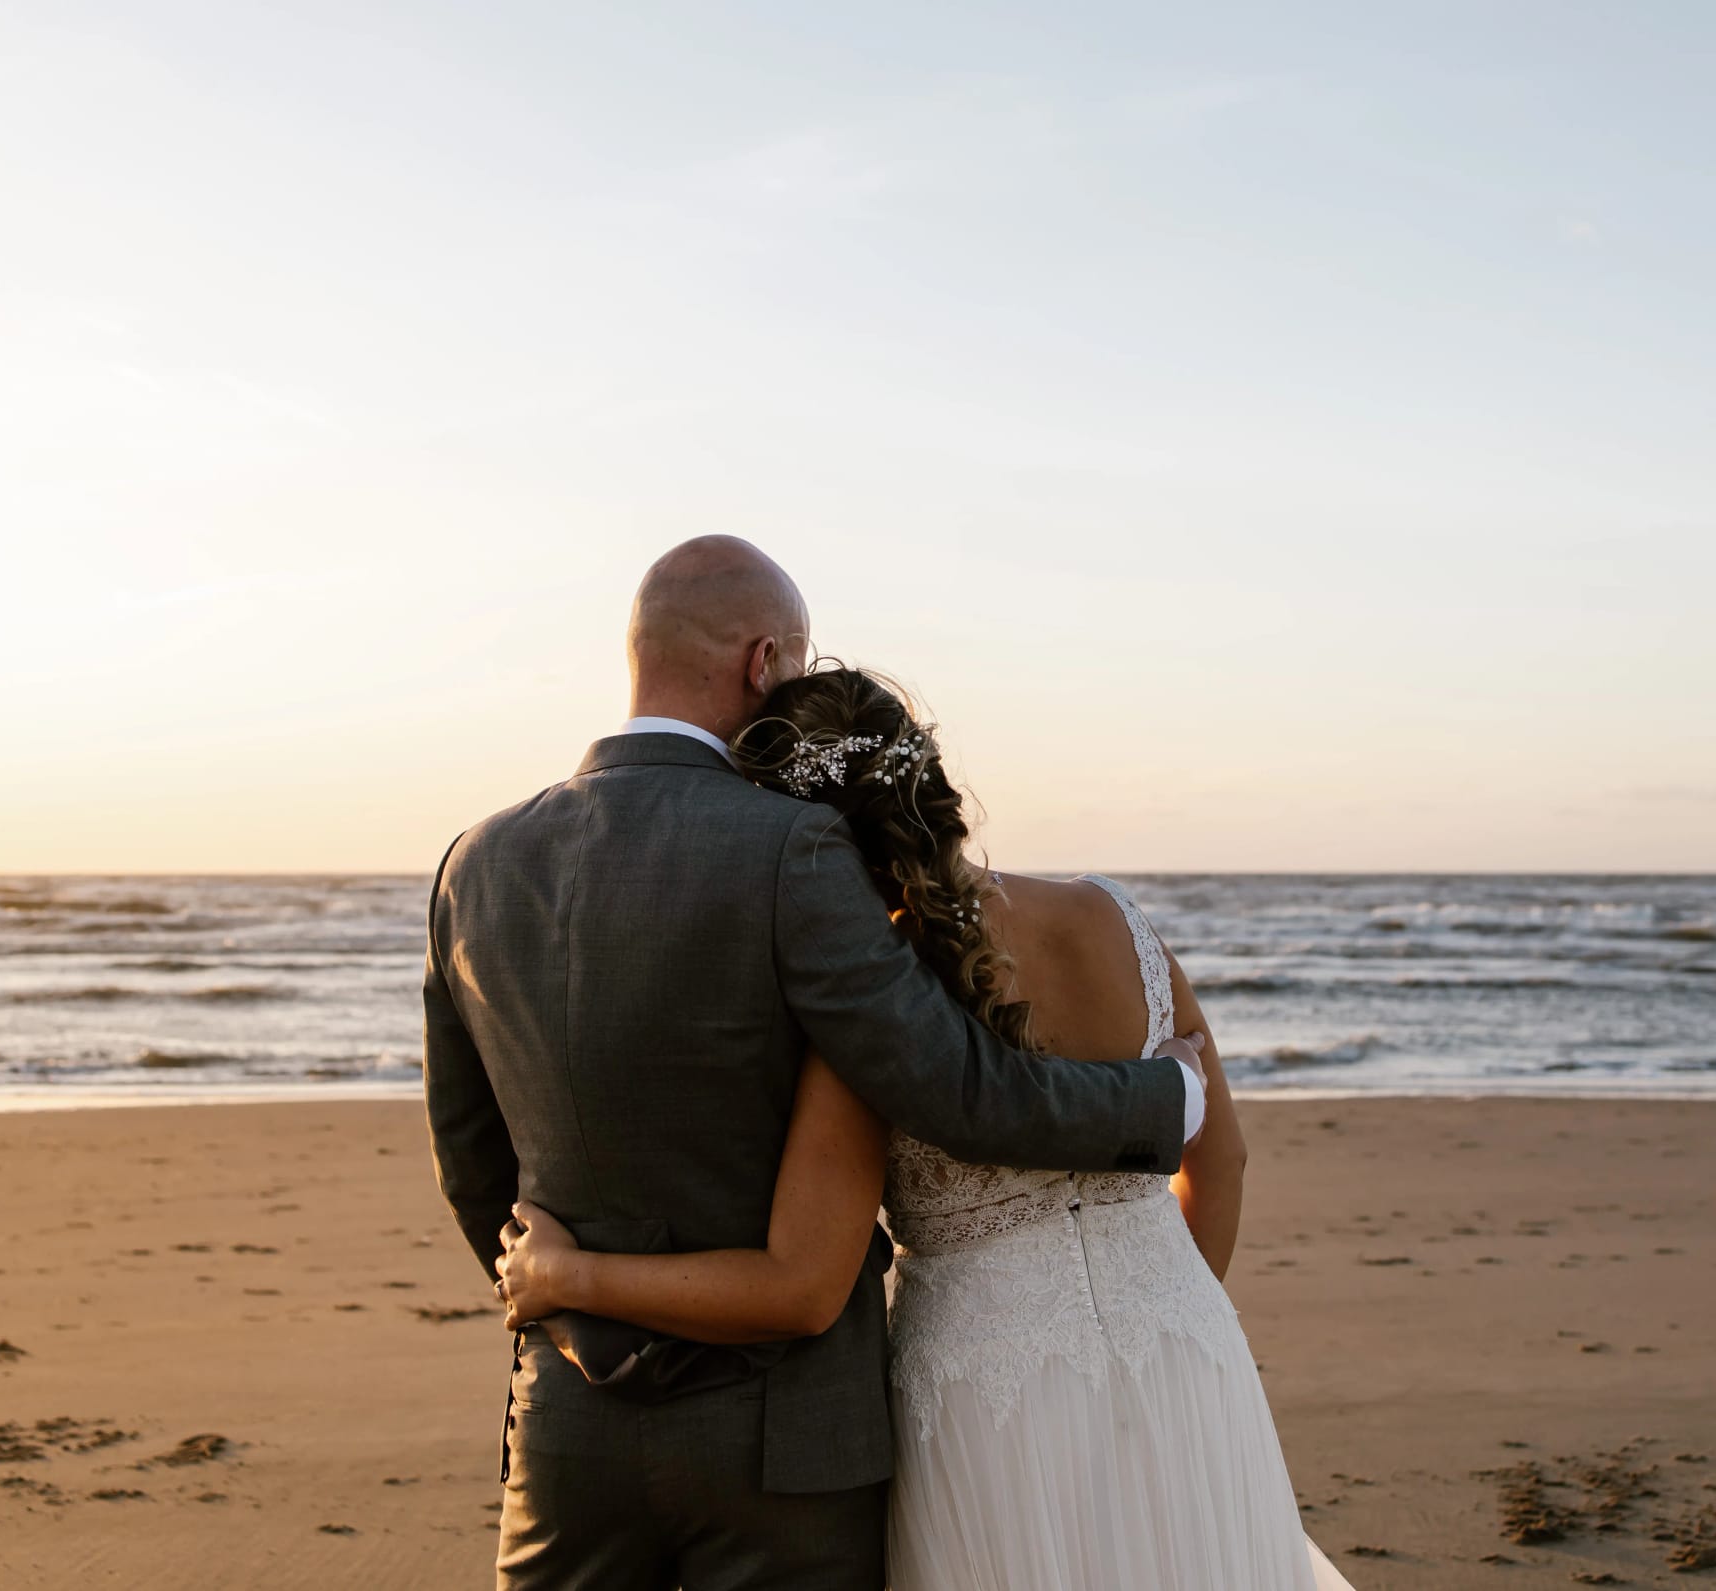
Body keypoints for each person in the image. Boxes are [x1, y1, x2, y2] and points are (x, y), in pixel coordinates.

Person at [423, 536, 1208, 1590]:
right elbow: (955, 1086)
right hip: (785, 1442)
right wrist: (1169, 1096)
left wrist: (573, 1315)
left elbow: (472, 1165)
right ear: (764, 662)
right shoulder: (793, 849)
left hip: (571, 1426)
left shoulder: (473, 862)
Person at [496, 663, 1353, 1591]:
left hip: (989, 1396)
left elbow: (803, 1274)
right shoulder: (1116, 917)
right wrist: (1155, 1316)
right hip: (1187, 1352)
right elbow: (1221, 1162)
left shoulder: (873, 1000)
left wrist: (569, 1274)